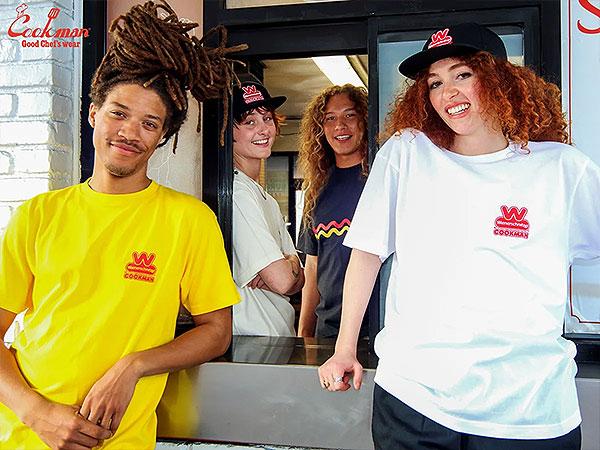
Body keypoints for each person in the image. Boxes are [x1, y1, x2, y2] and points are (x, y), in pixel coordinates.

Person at [319, 22, 598, 450]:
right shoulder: (407, 152)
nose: (447, 92)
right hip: (414, 398)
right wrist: (344, 348)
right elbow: (367, 251)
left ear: (500, 78)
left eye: (462, 74)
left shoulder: (561, 169)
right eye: (434, 83)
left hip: (528, 410)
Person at [0, 2, 242, 449]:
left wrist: (134, 366)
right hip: (24, 436)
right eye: (118, 113)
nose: (130, 132)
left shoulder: (189, 220)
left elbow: (216, 330)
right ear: (93, 113)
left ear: (162, 137)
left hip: (119, 439)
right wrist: (36, 413)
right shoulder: (37, 214)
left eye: (149, 123)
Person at [297, 84, 376, 338]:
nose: (340, 125)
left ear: (364, 120)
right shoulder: (315, 191)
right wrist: (304, 332)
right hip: (329, 333)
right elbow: (312, 268)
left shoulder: (382, 179)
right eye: (330, 118)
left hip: (380, 331)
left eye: (349, 115)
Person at [231, 80, 304, 336]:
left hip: (278, 335)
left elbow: (299, 281)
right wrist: (288, 266)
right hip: (252, 339)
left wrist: (289, 265)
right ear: (229, 132)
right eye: (250, 122)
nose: (263, 129)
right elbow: (285, 282)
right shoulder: (238, 193)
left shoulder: (265, 198)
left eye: (267, 119)